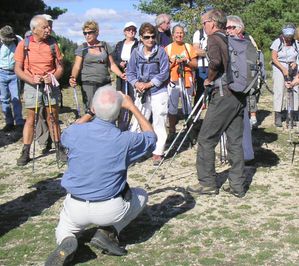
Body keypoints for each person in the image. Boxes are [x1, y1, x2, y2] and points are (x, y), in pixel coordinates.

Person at [45, 85, 157, 265]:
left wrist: (90, 113)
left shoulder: (74, 132)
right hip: (110, 207)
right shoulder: (125, 140)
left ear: (94, 108)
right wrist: (133, 107)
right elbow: (151, 138)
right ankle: (108, 231)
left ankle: (67, 240)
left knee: (64, 227)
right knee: (142, 195)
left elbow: (67, 133)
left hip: (77, 205)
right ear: (120, 112)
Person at [187, 9, 246, 198]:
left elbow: (215, 62)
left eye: (204, 22)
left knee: (206, 139)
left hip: (223, 95)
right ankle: (237, 186)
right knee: (235, 142)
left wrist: (208, 79)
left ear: (212, 22)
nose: (203, 26)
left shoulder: (213, 38)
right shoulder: (231, 38)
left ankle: (207, 184)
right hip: (239, 94)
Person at [14, 15, 66, 166]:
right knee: (31, 119)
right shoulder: (23, 44)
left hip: (50, 85)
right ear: (34, 29)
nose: (48, 29)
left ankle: (59, 149)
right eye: (44, 27)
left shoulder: (53, 43)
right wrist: (31, 79)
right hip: (32, 85)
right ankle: (25, 152)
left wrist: (54, 77)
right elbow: (17, 69)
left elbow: (61, 67)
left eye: (48, 27)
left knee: (53, 117)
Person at [126, 22, 169, 166]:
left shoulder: (161, 52)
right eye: (146, 37)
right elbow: (130, 73)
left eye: (152, 37)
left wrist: (150, 84)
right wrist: (137, 83)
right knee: (139, 121)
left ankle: (158, 152)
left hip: (158, 91)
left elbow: (164, 72)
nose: (150, 40)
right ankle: (137, 151)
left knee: (159, 120)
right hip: (141, 92)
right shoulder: (135, 53)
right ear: (141, 38)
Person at [69, 20, 125, 112]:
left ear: (96, 32)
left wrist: (120, 74)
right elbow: (76, 66)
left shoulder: (105, 46)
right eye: (85, 33)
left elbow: (112, 64)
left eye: (90, 32)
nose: (87, 35)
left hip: (105, 83)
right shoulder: (82, 48)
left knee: (107, 109)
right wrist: (73, 77)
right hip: (89, 84)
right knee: (91, 111)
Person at [226, 15, 255, 163]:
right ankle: (245, 154)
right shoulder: (248, 43)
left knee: (240, 122)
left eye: (232, 27)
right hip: (240, 87)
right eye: (227, 27)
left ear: (240, 28)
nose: (228, 30)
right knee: (240, 122)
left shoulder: (246, 43)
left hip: (237, 88)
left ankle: (241, 155)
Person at [165, 24, 197, 140]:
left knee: (187, 106)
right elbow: (164, 68)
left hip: (186, 79)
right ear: (173, 35)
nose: (179, 35)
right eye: (177, 33)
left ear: (184, 34)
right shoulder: (168, 48)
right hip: (173, 81)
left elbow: (195, 64)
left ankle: (190, 131)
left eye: (181, 33)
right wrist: (172, 62)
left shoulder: (189, 47)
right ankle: (172, 131)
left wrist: (186, 60)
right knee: (172, 107)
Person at [270, 23, 298, 127]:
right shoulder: (278, 42)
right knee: (279, 90)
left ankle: (292, 114)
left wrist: (296, 63)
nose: (288, 39)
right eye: (287, 37)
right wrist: (283, 69)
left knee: (295, 89)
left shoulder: (296, 43)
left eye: (290, 37)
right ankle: (278, 114)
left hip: (293, 66)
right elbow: (274, 58)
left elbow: (298, 56)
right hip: (279, 66)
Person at [112, 21, 139, 130]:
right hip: (121, 76)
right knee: (121, 99)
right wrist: (120, 63)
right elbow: (113, 59)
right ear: (124, 32)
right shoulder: (119, 45)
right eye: (129, 30)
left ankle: (134, 126)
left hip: (135, 77)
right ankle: (122, 126)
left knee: (134, 100)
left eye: (133, 30)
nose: (131, 32)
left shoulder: (139, 44)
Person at [0, 25, 24, 132]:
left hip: (15, 73)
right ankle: (9, 123)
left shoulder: (18, 40)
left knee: (16, 99)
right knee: (4, 99)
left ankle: (19, 123)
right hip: (1, 73)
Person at [192, 5, 214, 109]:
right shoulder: (198, 33)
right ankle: (195, 118)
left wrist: (204, 51)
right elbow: (195, 50)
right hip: (202, 67)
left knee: (214, 92)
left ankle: (212, 118)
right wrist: (209, 53)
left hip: (214, 66)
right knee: (200, 92)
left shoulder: (216, 33)